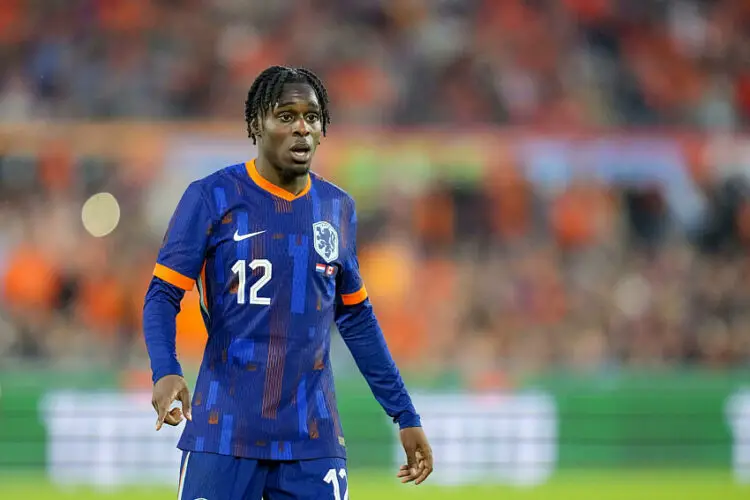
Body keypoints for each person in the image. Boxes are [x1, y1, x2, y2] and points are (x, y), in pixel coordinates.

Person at [142, 65, 433, 499]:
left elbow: (356, 318)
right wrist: (165, 371)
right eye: (286, 116)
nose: (302, 128)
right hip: (223, 432)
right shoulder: (211, 197)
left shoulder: (337, 208)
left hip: (312, 439)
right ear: (257, 124)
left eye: (312, 117)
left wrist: (404, 414)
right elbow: (163, 294)